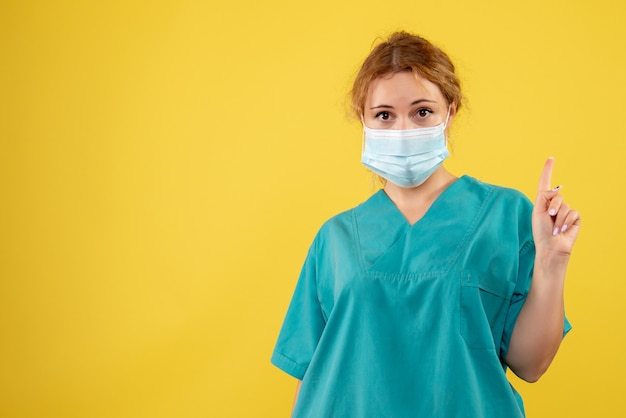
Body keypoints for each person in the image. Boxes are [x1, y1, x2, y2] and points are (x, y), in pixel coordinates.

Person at [271, 31, 580, 417]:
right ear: (363, 120)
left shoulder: (506, 215)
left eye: (422, 112)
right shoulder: (334, 240)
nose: (403, 131)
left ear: (450, 111)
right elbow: (313, 379)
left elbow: (531, 365)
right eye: (384, 115)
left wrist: (552, 263)